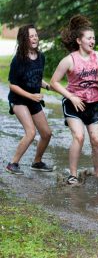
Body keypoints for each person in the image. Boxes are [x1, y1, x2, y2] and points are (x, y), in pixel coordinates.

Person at [50, 15, 98, 185]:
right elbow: (54, 82)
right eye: (89, 38)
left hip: (93, 104)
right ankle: (73, 174)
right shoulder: (69, 60)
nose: (92, 41)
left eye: (93, 38)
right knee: (78, 136)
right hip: (73, 104)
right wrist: (71, 96)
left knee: (96, 140)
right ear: (79, 40)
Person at [6, 25, 53, 175]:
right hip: (18, 100)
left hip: (33, 100)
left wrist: (47, 85)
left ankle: (37, 162)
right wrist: (31, 96)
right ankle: (13, 164)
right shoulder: (18, 60)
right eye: (30, 36)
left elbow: (36, 78)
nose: (34, 38)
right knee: (31, 132)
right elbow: (12, 85)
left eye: (35, 35)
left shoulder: (41, 57)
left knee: (46, 133)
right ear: (24, 39)